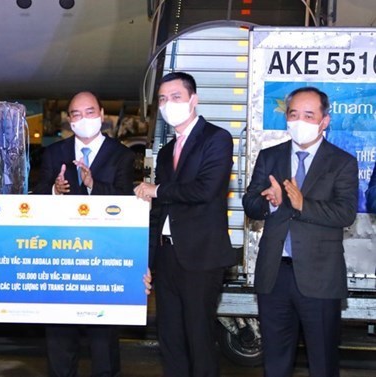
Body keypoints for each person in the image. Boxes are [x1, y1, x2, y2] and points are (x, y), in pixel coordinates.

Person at [242, 87, 358, 377]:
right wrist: (269, 202)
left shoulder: (342, 162)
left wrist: (302, 204)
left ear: (324, 121)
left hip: (320, 276)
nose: (300, 121)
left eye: (309, 115)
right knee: (276, 361)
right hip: (275, 274)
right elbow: (250, 203)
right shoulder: (270, 157)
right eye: (294, 114)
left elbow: (345, 213)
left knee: (322, 362)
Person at [134, 72, 235, 377]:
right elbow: (158, 214)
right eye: (162, 99)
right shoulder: (165, 152)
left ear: (194, 100)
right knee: (170, 339)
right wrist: (148, 260)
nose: (168, 104)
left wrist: (158, 189)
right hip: (167, 258)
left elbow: (206, 189)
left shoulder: (216, 139)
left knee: (199, 337)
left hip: (200, 257)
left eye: (175, 97)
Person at [34, 91, 135, 377]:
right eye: (76, 114)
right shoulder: (54, 153)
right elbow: (36, 196)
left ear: (102, 115)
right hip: (62, 259)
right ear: (69, 120)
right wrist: (55, 190)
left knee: (103, 342)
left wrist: (93, 185)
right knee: (59, 339)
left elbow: (126, 201)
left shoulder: (122, 155)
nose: (83, 119)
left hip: (102, 261)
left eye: (90, 112)